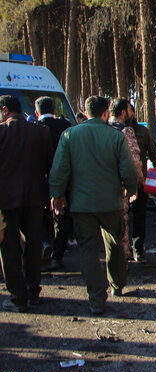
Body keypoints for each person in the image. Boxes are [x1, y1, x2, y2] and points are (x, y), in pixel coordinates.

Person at [49, 96, 138, 315]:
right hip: (111, 203)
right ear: (106, 112)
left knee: (88, 250)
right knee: (115, 244)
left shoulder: (70, 135)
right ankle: (117, 284)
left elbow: (59, 170)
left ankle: (96, 299)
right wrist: (131, 189)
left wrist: (57, 195)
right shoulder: (115, 137)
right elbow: (128, 169)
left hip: (82, 204)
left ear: (85, 111)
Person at [0, 95, 53, 312]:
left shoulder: (1, 132)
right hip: (34, 198)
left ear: (4, 110)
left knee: (9, 249)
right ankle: (33, 291)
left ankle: (17, 296)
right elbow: (50, 165)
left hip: (6, 201)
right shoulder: (41, 132)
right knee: (33, 246)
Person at [34, 96, 73, 272]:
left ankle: (43, 242)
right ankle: (57, 254)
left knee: (39, 217)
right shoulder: (65, 126)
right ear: (55, 110)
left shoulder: (34, 128)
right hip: (64, 179)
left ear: (36, 112)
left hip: (40, 180)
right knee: (61, 218)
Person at [109, 98, 144, 260]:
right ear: (123, 112)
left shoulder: (101, 129)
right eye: (130, 110)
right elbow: (135, 161)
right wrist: (138, 183)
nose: (132, 114)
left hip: (96, 186)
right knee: (120, 224)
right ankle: (120, 260)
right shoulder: (126, 131)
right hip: (118, 186)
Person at [129, 103, 156, 263]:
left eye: (130, 110)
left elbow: (154, 153)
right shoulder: (112, 130)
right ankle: (122, 250)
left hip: (140, 182)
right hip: (118, 183)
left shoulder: (142, 131)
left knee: (139, 216)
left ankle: (138, 250)